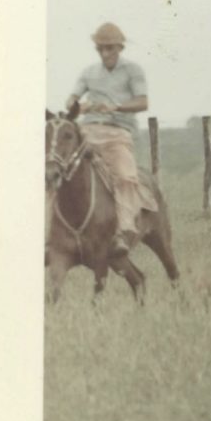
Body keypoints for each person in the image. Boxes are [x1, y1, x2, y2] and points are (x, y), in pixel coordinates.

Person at [65, 22, 158, 258]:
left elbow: (142, 102)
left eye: (110, 48)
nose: (105, 53)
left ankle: (123, 232)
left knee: (125, 176)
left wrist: (115, 106)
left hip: (117, 133)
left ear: (120, 48)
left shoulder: (133, 70)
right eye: (101, 48)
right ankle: (55, 232)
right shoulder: (89, 72)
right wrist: (79, 106)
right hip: (88, 131)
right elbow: (71, 99)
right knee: (59, 166)